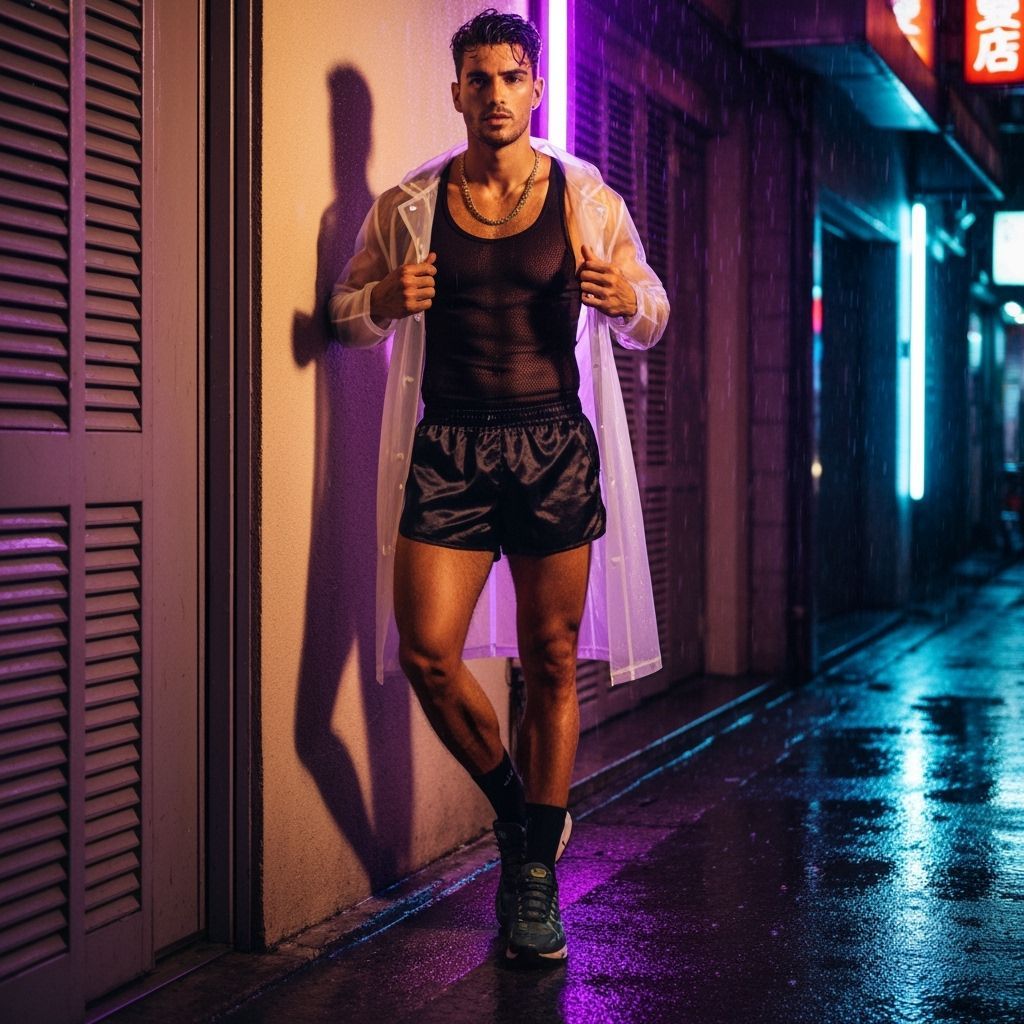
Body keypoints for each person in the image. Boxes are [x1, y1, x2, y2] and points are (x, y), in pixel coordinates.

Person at [330, 8, 668, 964]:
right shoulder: (407, 204)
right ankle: (525, 813)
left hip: (553, 446)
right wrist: (382, 303)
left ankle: (530, 885)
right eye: (478, 80)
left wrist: (627, 299)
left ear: (535, 88)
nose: (495, 95)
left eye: (511, 78)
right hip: (451, 448)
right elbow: (345, 313)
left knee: (551, 661)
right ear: (457, 92)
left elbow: (655, 311)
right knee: (430, 654)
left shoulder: (585, 196)